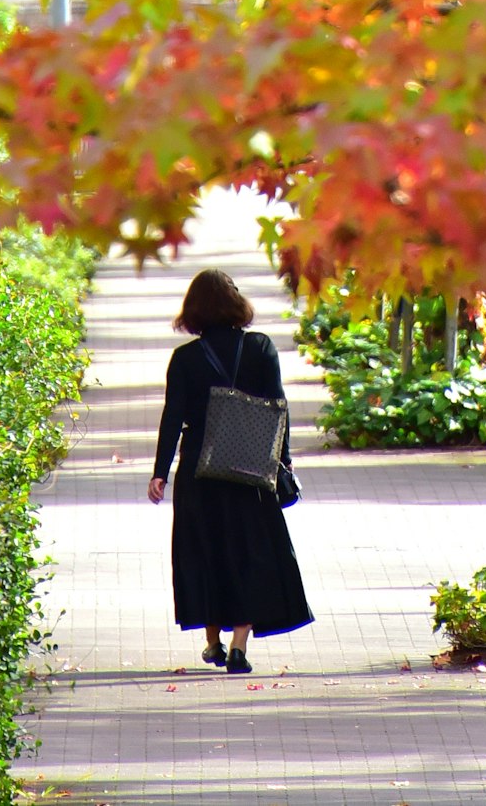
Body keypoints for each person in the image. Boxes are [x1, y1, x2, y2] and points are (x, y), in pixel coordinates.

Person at [148, 266, 313, 671]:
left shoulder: (185, 359)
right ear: (236, 302)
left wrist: (160, 472)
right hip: (251, 468)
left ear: (193, 310)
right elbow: (278, 407)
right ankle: (239, 644)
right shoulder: (261, 348)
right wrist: (283, 458)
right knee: (250, 553)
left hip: (199, 471)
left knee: (205, 552)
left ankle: (213, 642)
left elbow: (173, 417)